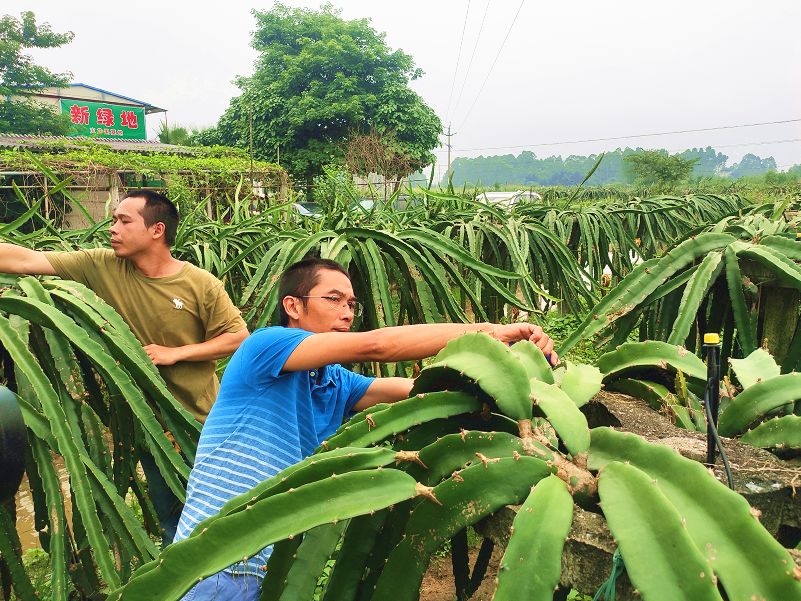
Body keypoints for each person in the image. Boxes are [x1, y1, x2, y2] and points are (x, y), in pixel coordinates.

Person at [174, 257, 558, 600]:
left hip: (273, 570)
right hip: (217, 563)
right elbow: (378, 345)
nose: (346, 312)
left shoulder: (336, 382)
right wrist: (491, 332)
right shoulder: (265, 346)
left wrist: (521, 380)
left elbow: (424, 395)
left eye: (352, 304)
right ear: (292, 306)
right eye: (333, 299)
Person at [0, 190, 249, 544]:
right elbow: (26, 260)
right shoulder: (101, 265)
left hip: (202, 420)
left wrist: (176, 353)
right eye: (114, 219)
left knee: (220, 518)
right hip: (148, 427)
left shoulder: (199, 283)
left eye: (124, 220)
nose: (112, 228)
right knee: (171, 522)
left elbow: (239, 337)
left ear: (157, 230)